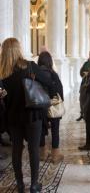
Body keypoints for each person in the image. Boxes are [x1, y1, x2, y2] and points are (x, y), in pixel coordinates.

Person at [0, 38, 56, 193]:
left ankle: (19, 184)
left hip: (13, 117)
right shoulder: (29, 66)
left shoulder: (2, 73)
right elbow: (49, 81)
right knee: (33, 149)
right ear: (18, 49)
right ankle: (34, 185)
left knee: (16, 150)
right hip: (33, 115)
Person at [38, 51, 64, 164]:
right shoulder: (53, 74)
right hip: (53, 108)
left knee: (41, 131)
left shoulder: (35, 74)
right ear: (50, 61)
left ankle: (42, 153)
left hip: (39, 107)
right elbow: (60, 92)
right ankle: (55, 155)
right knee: (55, 130)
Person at [76, 50, 90, 121]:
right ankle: (82, 114)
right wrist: (83, 73)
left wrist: (88, 73)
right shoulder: (86, 63)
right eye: (89, 54)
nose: (89, 56)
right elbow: (81, 71)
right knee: (81, 99)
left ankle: (87, 115)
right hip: (84, 83)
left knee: (88, 100)